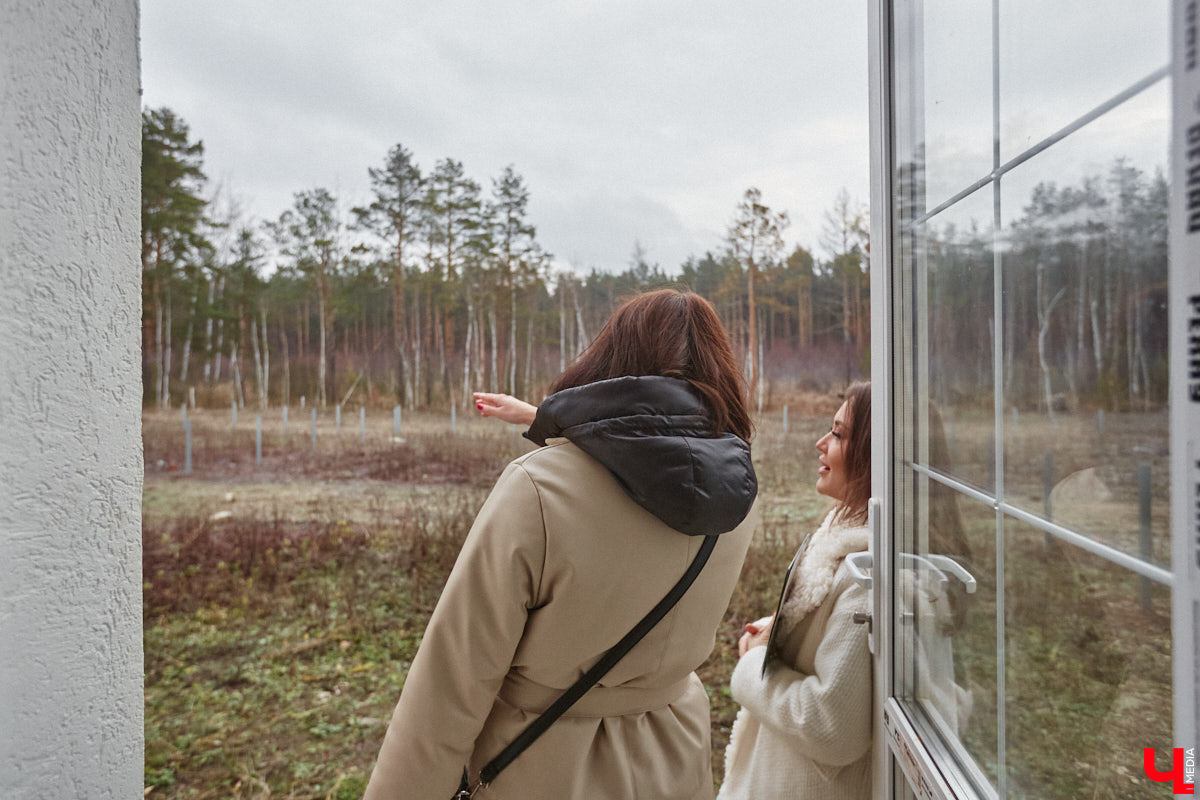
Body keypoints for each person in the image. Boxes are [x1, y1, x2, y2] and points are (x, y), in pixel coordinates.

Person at [364, 289, 760, 800]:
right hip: (675, 756)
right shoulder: (739, 487)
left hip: (543, 766)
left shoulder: (537, 488)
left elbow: (452, 680)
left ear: (610, 360)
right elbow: (652, 450)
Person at [717, 381, 873, 800]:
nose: (821, 443)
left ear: (874, 455)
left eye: (838, 434)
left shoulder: (867, 581)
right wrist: (786, 630)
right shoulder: (841, 542)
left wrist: (753, 664)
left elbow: (831, 727)